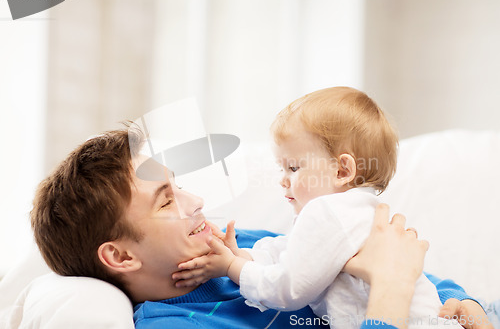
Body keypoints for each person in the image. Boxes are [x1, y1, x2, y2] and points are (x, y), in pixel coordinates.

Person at [29, 127, 489, 329]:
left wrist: (463, 301)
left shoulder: (239, 244)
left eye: (180, 186)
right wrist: (391, 286)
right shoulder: (175, 325)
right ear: (121, 256)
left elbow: (372, 263)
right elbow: (389, 274)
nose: (197, 203)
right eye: (167, 200)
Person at [172, 87, 492, 329]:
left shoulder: (328, 213)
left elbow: (289, 289)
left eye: (294, 168)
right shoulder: (352, 211)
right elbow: (290, 251)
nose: (283, 181)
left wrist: (232, 267)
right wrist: (245, 256)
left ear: (342, 171)